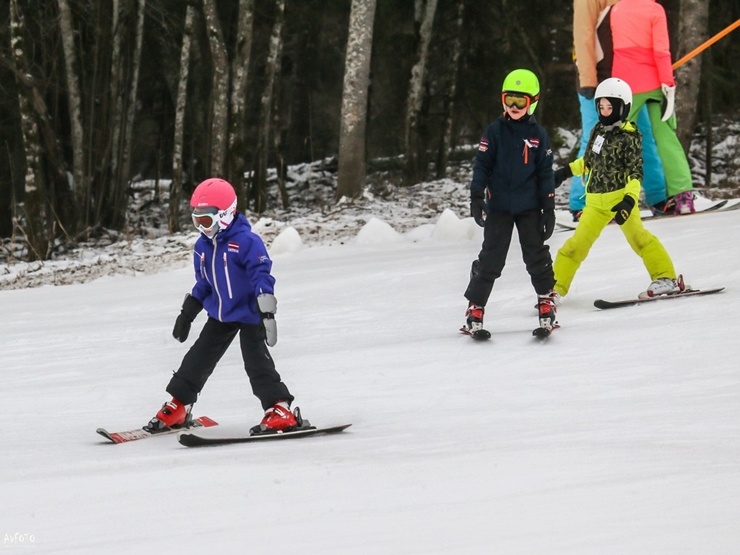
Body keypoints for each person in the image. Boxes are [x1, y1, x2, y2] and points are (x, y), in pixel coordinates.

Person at [145, 178, 299, 435]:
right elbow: (203, 284)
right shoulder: (202, 247)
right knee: (198, 358)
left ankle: (279, 408)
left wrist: (267, 311)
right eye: (197, 221)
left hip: (250, 313)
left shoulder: (247, 242)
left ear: (226, 215)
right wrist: (188, 313)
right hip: (220, 314)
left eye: (206, 220)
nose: (202, 228)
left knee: (256, 363)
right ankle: (180, 405)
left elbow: (262, 275)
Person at [552, 78, 685, 299]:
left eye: (610, 107)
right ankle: (553, 288)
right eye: (601, 107)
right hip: (594, 203)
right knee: (575, 247)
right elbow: (589, 161)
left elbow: (635, 172)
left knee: (640, 239)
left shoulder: (629, 136)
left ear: (623, 108)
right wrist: (564, 172)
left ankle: (665, 277)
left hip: (620, 200)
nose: (605, 112)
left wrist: (629, 200)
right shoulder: (598, 130)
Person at [462, 68, 558, 338]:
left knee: (536, 255)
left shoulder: (539, 135)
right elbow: (482, 165)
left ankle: (545, 299)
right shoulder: (493, 132)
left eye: (521, 102)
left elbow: (546, 174)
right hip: (500, 207)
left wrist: (548, 208)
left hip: (530, 208)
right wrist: (476, 196)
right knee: (492, 257)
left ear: (533, 102)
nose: (514, 107)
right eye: (509, 100)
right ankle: (475, 307)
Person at [570, 0, 668, 221]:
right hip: (598, 80)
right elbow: (583, 33)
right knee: (595, 140)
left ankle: (658, 197)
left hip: (630, 78)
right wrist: (588, 79)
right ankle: (582, 202)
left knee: (642, 135)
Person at [610, 0, 695, 214]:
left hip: (624, 83)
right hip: (655, 83)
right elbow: (661, 51)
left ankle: (612, 198)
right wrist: (669, 82)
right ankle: (683, 195)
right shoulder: (655, 10)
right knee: (666, 137)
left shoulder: (616, 10)